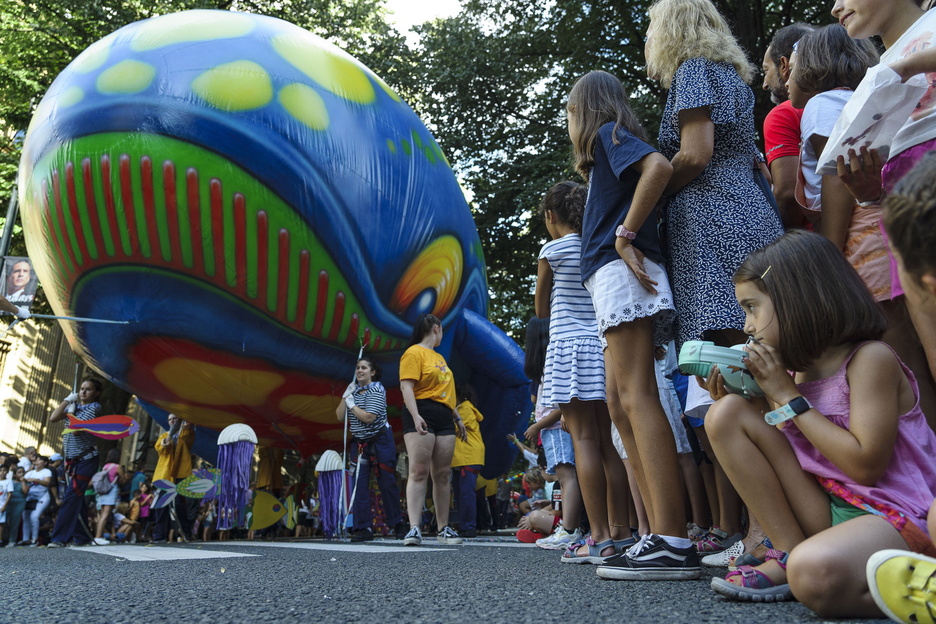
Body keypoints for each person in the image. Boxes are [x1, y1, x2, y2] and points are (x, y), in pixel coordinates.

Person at [700, 230, 936, 617]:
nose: (746, 325)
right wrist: (755, 398)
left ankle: (903, 580)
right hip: (828, 504)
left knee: (815, 577)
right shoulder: (796, 372)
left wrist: (789, 398)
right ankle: (788, 549)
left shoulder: (870, 360)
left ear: (796, 301)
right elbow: (795, 451)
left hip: (888, 511)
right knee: (726, 414)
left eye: (752, 307)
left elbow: (864, 466)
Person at [564, 71, 698, 579]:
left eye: (572, 112)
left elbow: (659, 166)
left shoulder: (607, 134)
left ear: (587, 109)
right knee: (620, 401)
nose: (570, 122)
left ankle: (671, 537)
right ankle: (654, 535)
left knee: (637, 395)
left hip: (624, 271)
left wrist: (626, 233)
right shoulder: (605, 152)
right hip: (610, 278)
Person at [645, 0, 784, 350]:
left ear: (669, 31)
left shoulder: (692, 71)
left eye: (651, 32)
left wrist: (654, 197)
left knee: (739, 346)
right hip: (748, 209)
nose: (648, 40)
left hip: (710, 219)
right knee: (770, 336)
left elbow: (694, 154)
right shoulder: (731, 77)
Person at [533, 178, 634, 566]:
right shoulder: (598, 242)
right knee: (608, 442)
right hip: (600, 345)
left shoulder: (551, 250)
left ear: (550, 215)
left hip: (567, 348)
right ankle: (622, 531)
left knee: (584, 443)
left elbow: (542, 310)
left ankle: (598, 539)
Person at [398, 313, 467, 546]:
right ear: (436, 328)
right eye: (442, 330)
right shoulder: (413, 352)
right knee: (418, 471)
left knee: (443, 474)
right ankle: (414, 528)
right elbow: (406, 386)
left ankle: (443, 529)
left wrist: (457, 419)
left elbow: (447, 393)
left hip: (445, 415)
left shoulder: (439, 357)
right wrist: (416, 416)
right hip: (421, 410)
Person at [522, 316, 584, 551]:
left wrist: (537, 425)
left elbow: (559, 409)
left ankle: (569, 530)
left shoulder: (550, 368)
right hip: (552, 430)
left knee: (567, 476)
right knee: (567, 476)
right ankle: (569, 527)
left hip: (555, 430)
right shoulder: (546, 371)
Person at [336, 356, 405, 542]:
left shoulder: (377, 389)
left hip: (380, 440)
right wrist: (345, 396)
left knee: (387, 481)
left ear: (372, 372)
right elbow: (339, 416)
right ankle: (362, 527)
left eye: (364, 368)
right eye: (358, 367)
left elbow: (368, 418)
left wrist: (352, 404)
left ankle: (397, 523)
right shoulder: (354, 392)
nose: (359, 371)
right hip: (360, 444)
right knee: (359, 485)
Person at [762, 23, 816, 229]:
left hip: (815, 241)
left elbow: (787, 193)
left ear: (784, 65)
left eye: (766, 71)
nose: (765, 84)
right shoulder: (852, 97)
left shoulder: (783, 114)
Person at [47, 379, 103, 548]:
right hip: (71, 460)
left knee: (71, 496)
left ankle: (59, 538)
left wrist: (71, 414)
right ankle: (82, 536)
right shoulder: (75, 406)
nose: (83, 393)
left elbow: (77, 431)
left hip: (86, 459)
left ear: (96, 393)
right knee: (75, 496)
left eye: (88, 390)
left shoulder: (94, 408)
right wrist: (68, 401)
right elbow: (53, 418)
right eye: (81, 389)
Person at [150, 414, 195, 543]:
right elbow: (161, 447)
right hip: (164, 475)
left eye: (175, 419)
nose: (172, 421)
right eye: (169, 419)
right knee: (161, 505)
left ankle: (186, 532)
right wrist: (170, 433)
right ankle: (159, 536)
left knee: (179, 505)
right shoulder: (163, 436)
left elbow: (189, 439)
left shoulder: (187, 433)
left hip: (180, 475)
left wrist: (185, 427)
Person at [450, 384, 485, 538]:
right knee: (461, 493)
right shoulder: (466, 407)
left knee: (465, 494)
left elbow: (456, 428)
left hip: (468, 455)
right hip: (464, 456)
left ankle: (469, 527)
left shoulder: (464, 408)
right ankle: (465, 525)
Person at [93, 448, 125, 545]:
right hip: (110, 491)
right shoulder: (117, 467)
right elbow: (123, 480)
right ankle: (98, 537)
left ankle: (99, 535)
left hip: (102, 492)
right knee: (105, 515)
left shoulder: (105, 466)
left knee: (101, 515)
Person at [20, 455, 52, 546]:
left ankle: (35, 538)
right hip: (30, 497)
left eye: (39, 460)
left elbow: (47, 483)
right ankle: (25, 539)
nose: (36, 462)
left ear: (44, 463)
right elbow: (24, 486)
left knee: (34, 517)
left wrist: (35, 480)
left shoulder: (47, 471)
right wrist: (24, 481)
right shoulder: (30, 473)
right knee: (25, 516)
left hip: (42, 497)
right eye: (36, 460)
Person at [5, 466, 27, 546]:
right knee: (5, 521)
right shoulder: (10, 481)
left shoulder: (26, 481)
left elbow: (25, 491)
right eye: (19, 472)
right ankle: (4, 538)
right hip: (9, 502)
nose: (21, 474)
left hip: (19, 502)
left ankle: (12, 540)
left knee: (15, 521)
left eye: (23, 472)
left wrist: (23, 482)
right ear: (15, 474)